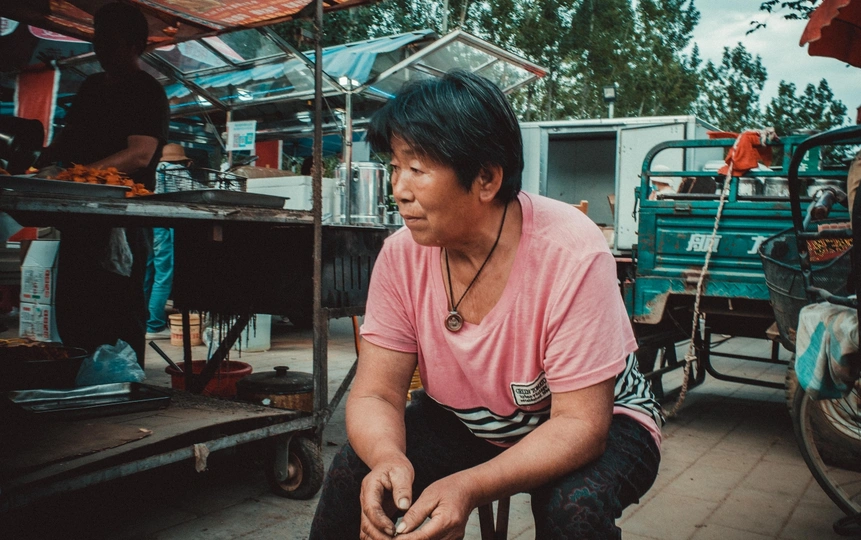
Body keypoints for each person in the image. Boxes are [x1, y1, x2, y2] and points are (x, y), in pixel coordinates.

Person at [309, 70, 663, 540]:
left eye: (417, 169)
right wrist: (388, 458)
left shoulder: (570, 252)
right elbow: (377, 394)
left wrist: (467, 487)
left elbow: (581, 424)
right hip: (469, 420)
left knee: (571, 508)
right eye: (395, 167)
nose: (399, 189)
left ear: (486, 178)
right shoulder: (401, 255)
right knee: (356, 475)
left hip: (599, 418)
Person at [37, 2, 169, 365]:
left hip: (121, 224)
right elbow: (65, 142)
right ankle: (81, 382)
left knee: (118, 313)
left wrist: (75, 177)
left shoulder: (147, 92)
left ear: (135, 45)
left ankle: (121, 384)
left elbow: (140, 154)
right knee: (75, 312)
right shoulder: (91, 87)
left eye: (111, 42)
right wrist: (43, 165)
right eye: (98, 39)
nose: (100, 49)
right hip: (81, 221)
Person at [144, 143, 191, 339]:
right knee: (164, 275)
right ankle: (154, 325)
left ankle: (142, 319)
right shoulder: (178, 171)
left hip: (151, 224)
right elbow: (194, 192)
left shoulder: (154, 170)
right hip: (168, 224)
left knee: (148, 272)